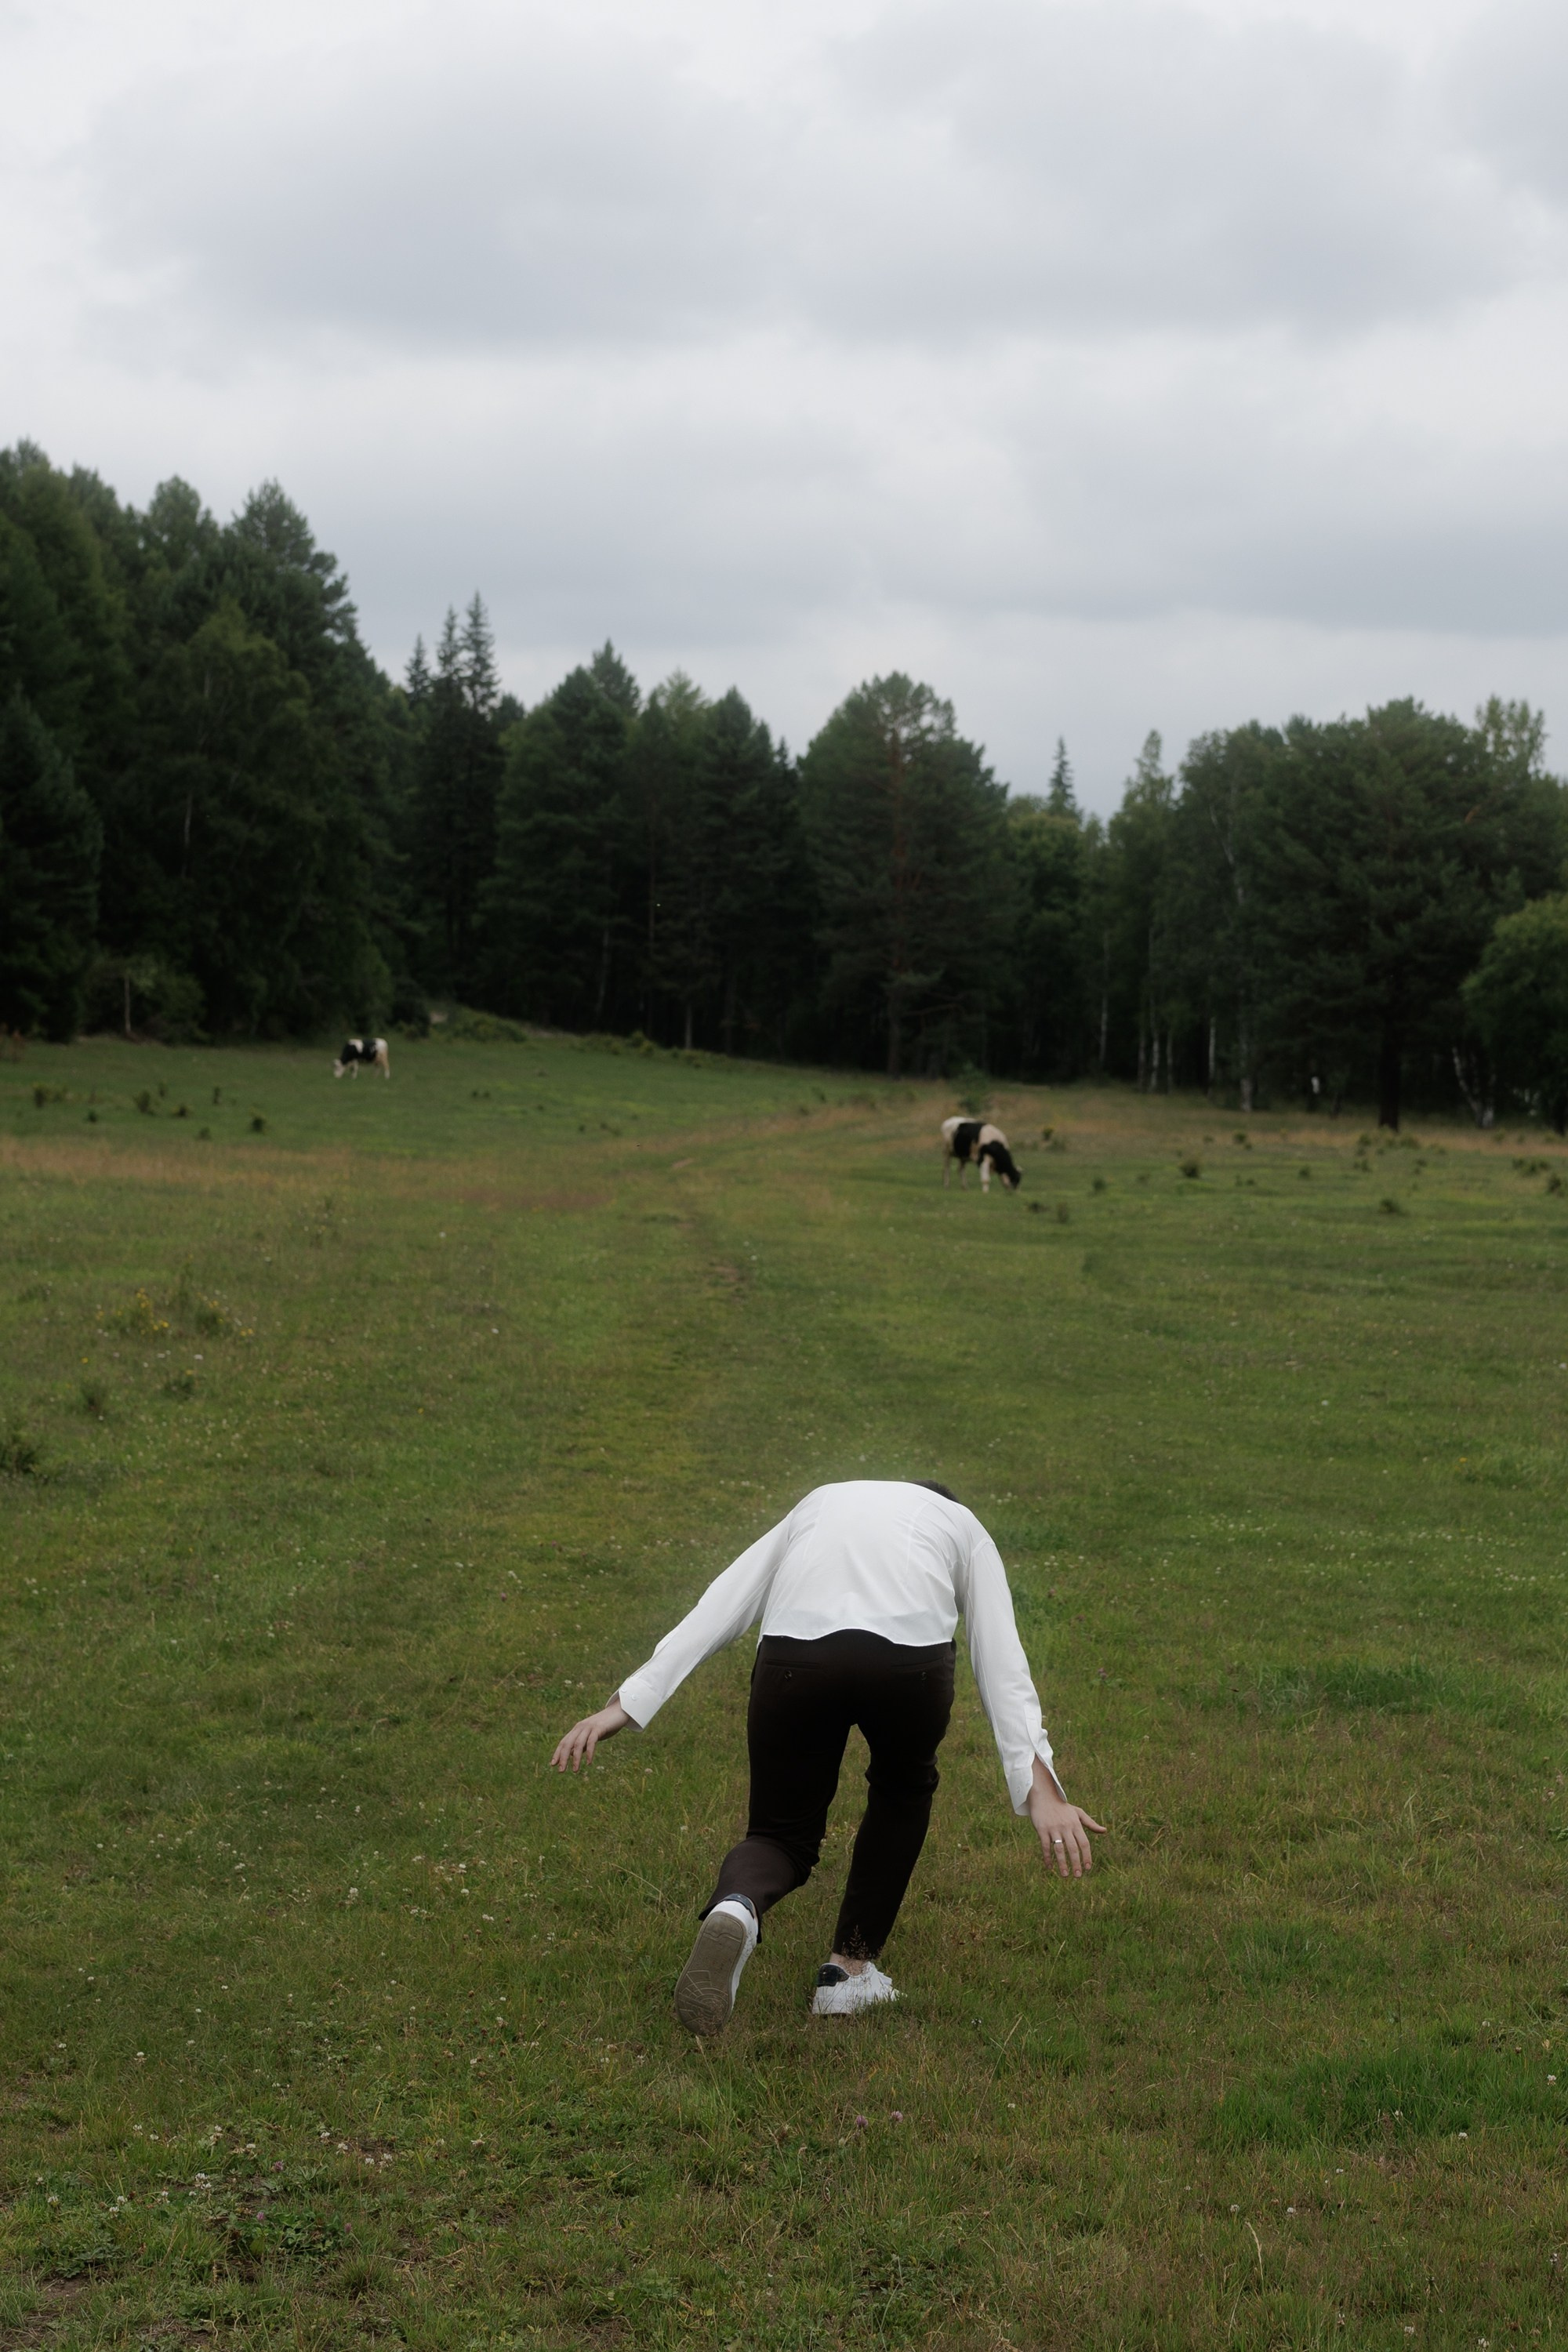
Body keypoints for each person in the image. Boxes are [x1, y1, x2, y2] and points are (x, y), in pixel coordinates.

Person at [550, 1478, 1104, 2034]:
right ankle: (849, 1974)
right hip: (907, 1666)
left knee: (778, 1835)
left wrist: (628, 1701)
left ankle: (736, 1908)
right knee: (902, 1791)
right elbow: (1001, 1656)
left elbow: (725, 1600)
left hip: (796, 1657)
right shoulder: (961, 1523)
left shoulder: (820, 1502)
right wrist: (1041, 1788)